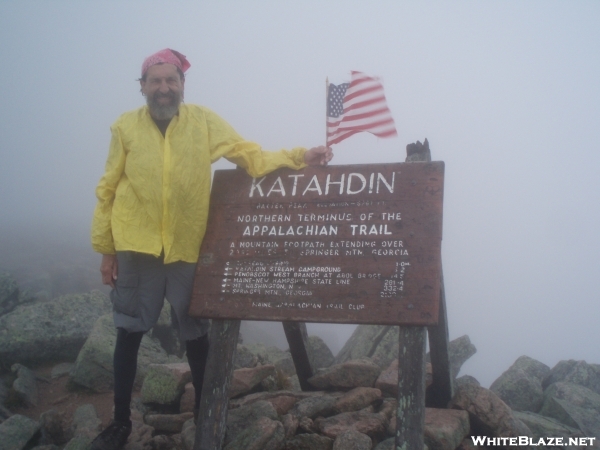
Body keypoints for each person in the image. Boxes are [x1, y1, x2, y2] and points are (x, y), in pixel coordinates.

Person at [90, 48, 332, 449]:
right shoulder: (124, 127)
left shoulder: (203, 121)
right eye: (156, 81)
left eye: (171, 81)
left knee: (196, 332)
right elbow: (108, 188)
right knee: (129, 330)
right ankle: (119, 422)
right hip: (136, 247)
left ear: (183, 85)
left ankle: (205, 414)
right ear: (143, 87)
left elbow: (247, 155)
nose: (164, 88)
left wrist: (298, 157)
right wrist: (106, 249)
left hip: (186, 246)